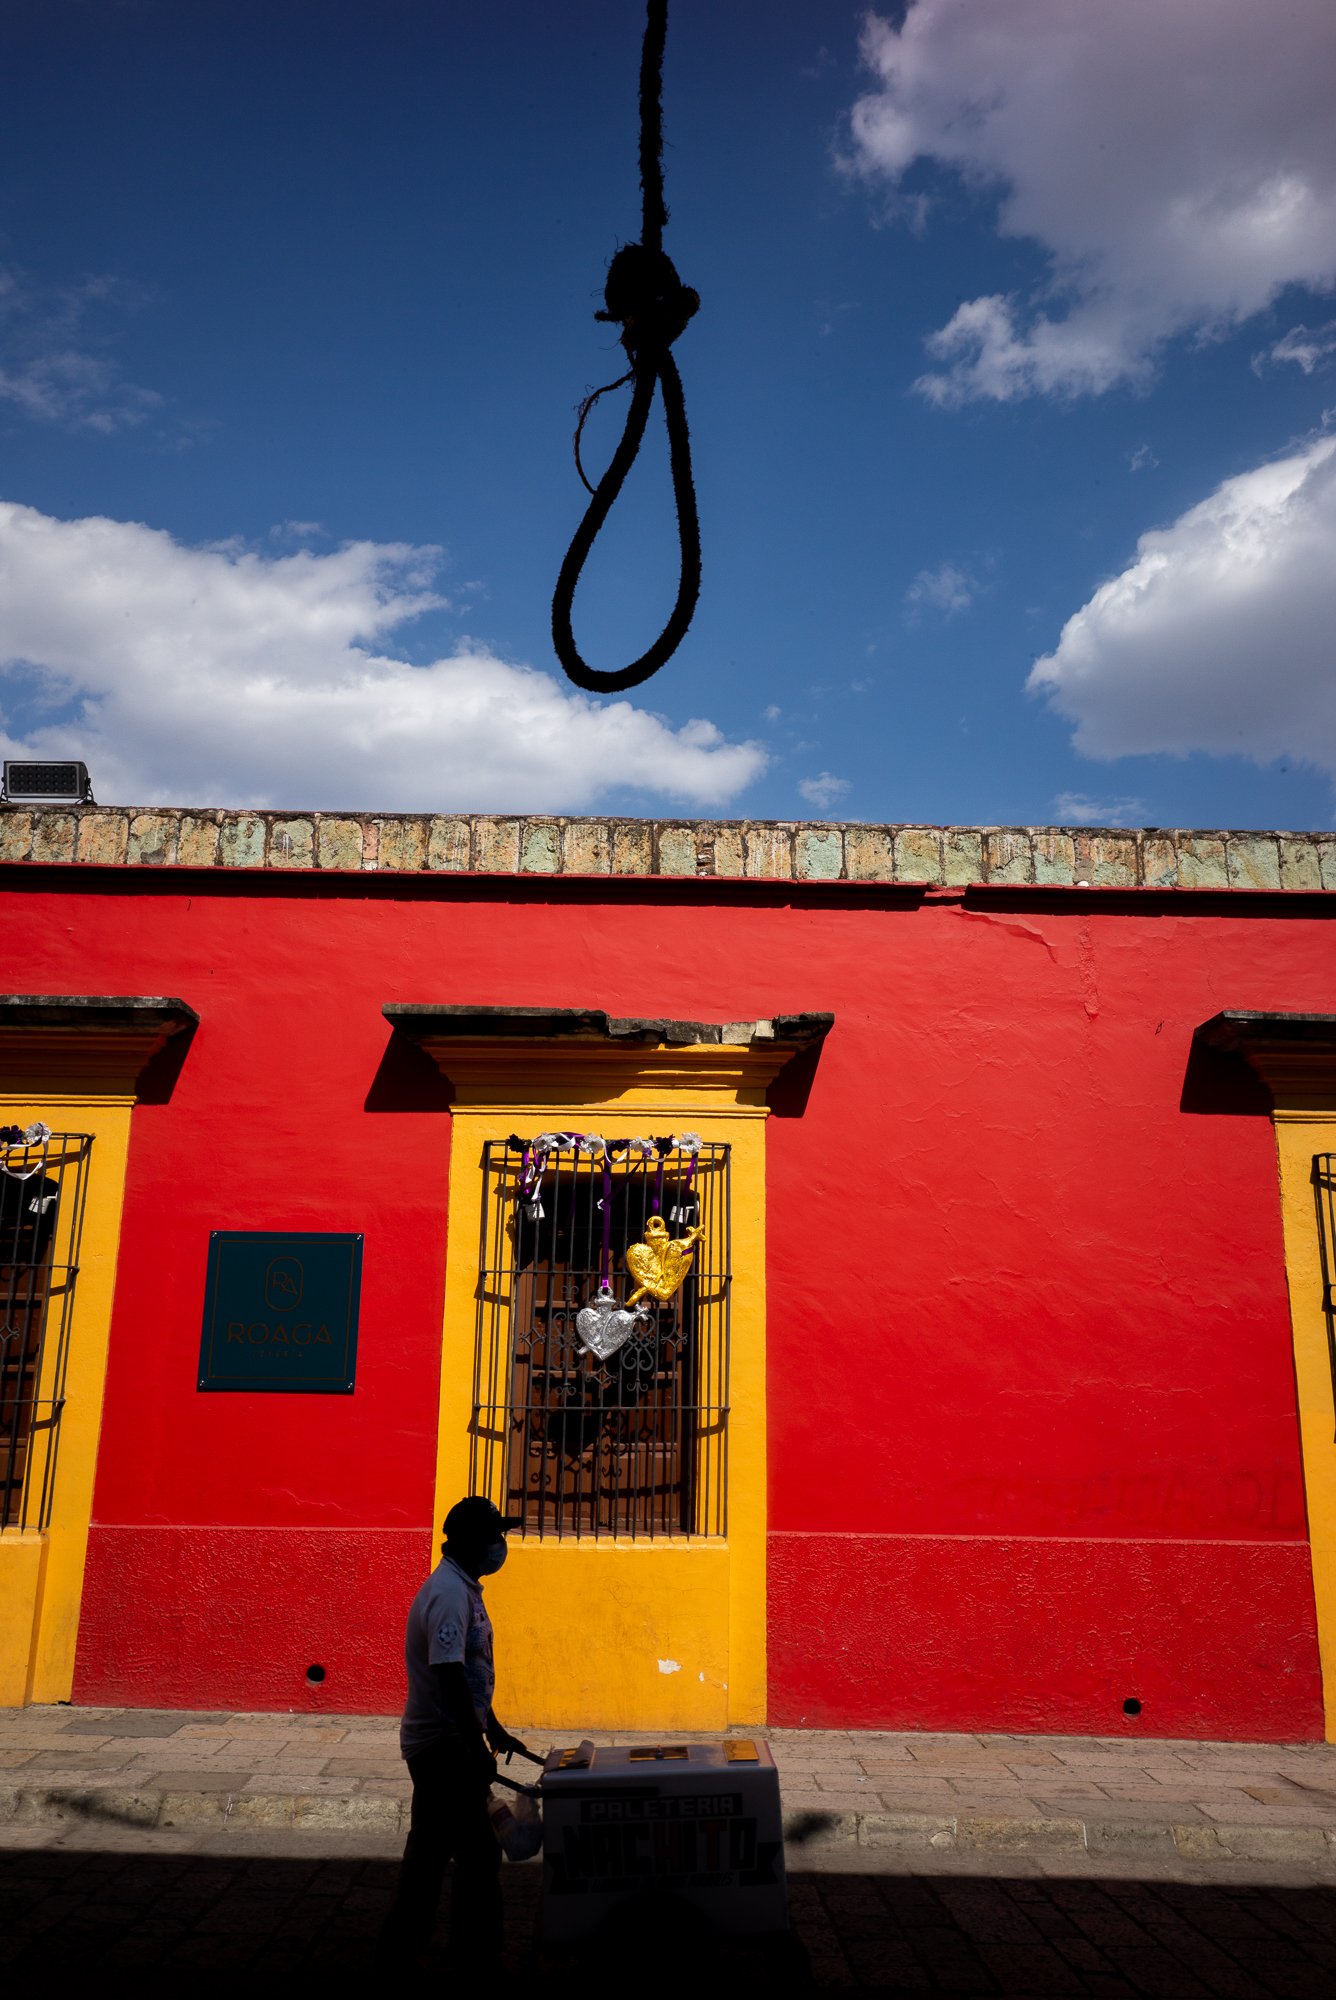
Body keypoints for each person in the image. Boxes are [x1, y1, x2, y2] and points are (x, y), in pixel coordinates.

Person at [378, 1495, 530, 1968]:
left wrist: (495, 1729)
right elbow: (447, 1679)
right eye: (494, 1537)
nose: (500, 1546)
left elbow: (467, 1675)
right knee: (479, 1852)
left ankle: (404, 1943)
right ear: (469, 1543)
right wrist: (473, 1745)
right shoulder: (448, 1596)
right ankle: (473, 1952)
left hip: (444, 1740)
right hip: (443, 1745)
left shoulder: (459, 1588)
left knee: (430, 1848)